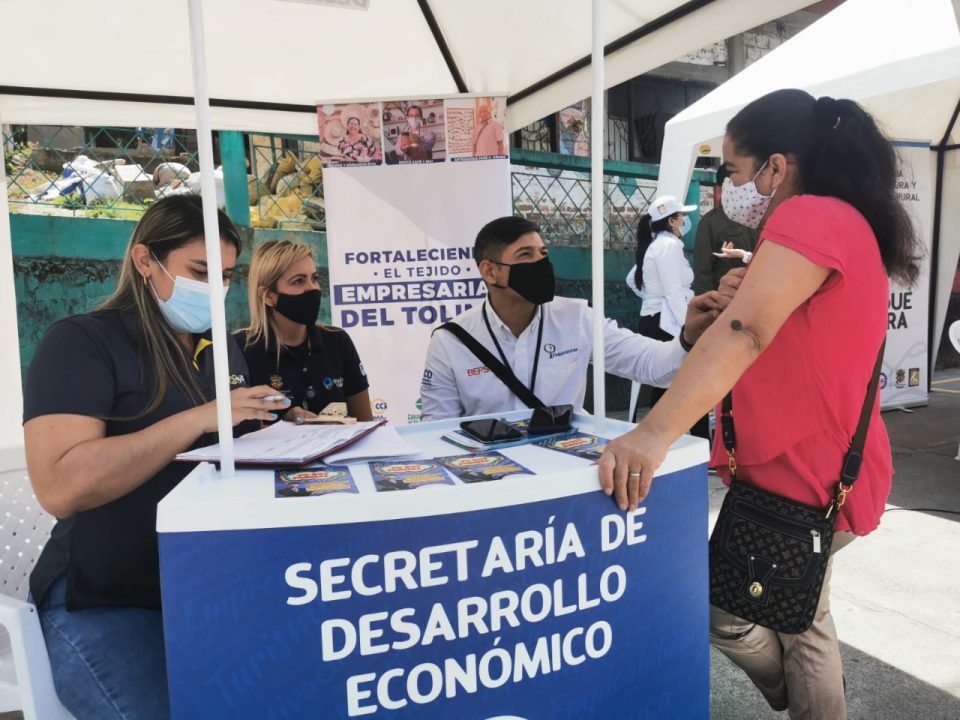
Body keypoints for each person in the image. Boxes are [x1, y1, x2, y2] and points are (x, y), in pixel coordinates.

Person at [597, 89, 921, 720]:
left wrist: (652, 434)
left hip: (809, 467)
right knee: (799, 615)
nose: (728, 188)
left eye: (733, 171)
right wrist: (716, 317)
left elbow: (746, 334)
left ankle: (800, 702)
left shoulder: (811, 217)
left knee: (755, 615)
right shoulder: (836, 222)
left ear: (776, 166)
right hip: (817, 460)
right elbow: (769, 330)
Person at [22, 195, 291, 719]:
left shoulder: (219, 348)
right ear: (146, 260)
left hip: (207, 586)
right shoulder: (81, 343)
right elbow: (60, 487)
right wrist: (197, 419)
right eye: (200, 272)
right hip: (104, 597)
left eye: (226, 276)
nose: (215, 290)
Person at [420, 216, 735, 420]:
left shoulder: (576, 318)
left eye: (543, 254)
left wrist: (688, 337)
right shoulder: (451, 341)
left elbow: (650, 365)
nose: (540, 264)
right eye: (525, 255)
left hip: (566, 474)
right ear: (489, 271)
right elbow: (437, 430)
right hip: (490, 483)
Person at [238, 240, 373, 423]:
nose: (312, 288)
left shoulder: (337, 341)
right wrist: (284, 422)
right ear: (268, 296)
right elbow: (237, 431)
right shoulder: (241, 349)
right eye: (298, 281)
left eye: (314, 278)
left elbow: (365, 423)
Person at [626, 195, 708, 436]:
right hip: (667, 321)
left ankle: (660, 437)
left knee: (666, 384)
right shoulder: (668, 247)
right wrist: (689, 327)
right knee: (688, 381)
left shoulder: (658, 245)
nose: (685, 220)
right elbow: (673, 292)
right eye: (682, 216)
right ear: (671, 221)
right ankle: (698, 440)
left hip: (658, 318)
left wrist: (652, 298)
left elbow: (632, 279)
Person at [692, 164, 759, 293]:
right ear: (721, 188)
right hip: (726, 298)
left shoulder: (759, 216)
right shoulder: (711, 222)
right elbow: (702, 272)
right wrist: (708, 303)